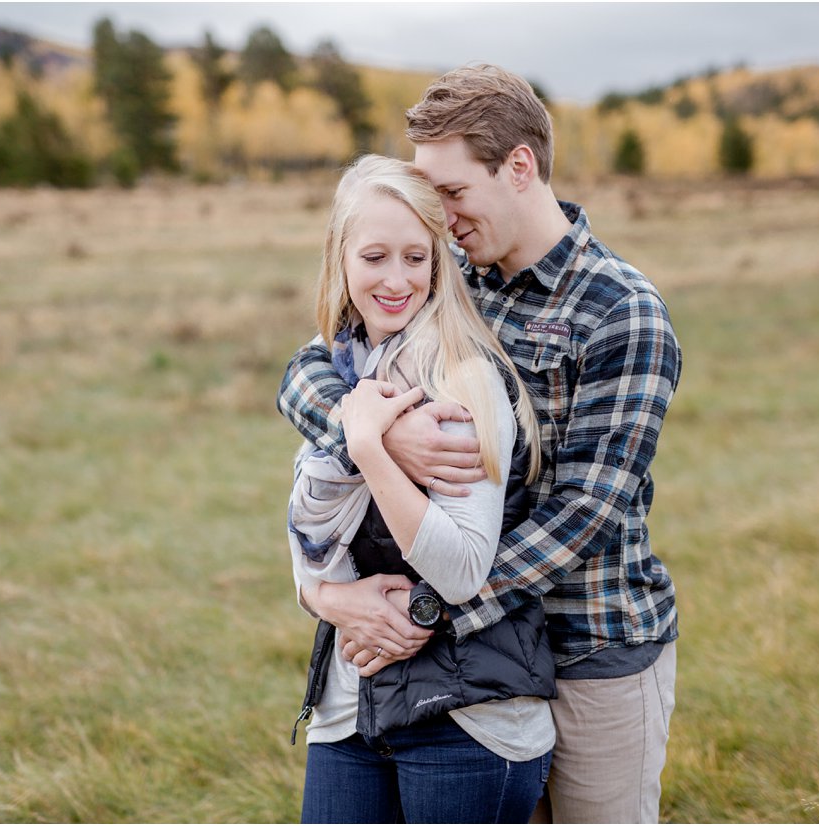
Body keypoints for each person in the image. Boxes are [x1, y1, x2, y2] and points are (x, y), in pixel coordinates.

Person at [278, 64, 682, 824]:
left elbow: (583, 513)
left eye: (453, 194)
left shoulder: (620, 310)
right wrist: (384, 435)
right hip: (476, 666)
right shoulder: (448, 274)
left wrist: (423, 610)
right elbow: (308, 370)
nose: (443, 218)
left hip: (590, 646)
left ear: (518, 167)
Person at [285, 154, 556, 824]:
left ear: (438, 262)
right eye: (374, 256)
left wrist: (370, 447)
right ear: (340, 259)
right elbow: (314, 537)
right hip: (351, 702)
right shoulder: (342, 370)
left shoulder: (461, 378)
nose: (396, 278)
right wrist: (325, 595)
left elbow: (461, 570)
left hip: (465, 717)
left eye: (415, 256)